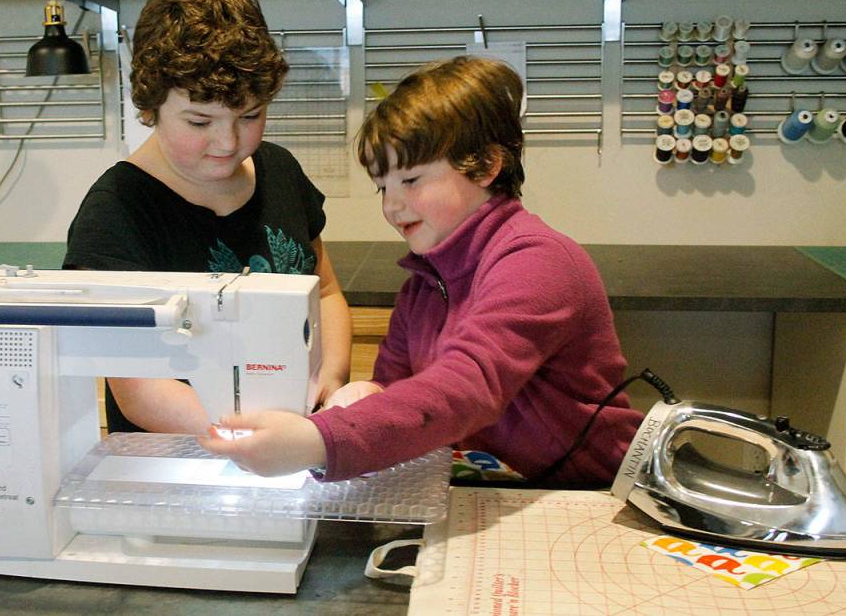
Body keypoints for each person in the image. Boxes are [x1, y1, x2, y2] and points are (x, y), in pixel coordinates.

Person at [200, 56, 643, 488]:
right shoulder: (425, 285)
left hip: (588, 493)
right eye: (383, 187)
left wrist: (321, 441)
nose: (392, 206)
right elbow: (399, 388)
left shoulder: (536, 262)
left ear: (487, 165)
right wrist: (367, 394)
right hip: (493, 484)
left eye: (411, 181)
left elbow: (466, 388)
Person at [64, 0, 352, 435]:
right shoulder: (115, 212)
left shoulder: (279, 170)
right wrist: (256, 432)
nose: (228, 141)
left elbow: (327, 292)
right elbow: (140, 390)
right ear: (149, 106)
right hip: (182, 458)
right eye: (200, 121)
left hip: (299, 437)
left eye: (250, 116)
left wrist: (331, 381)